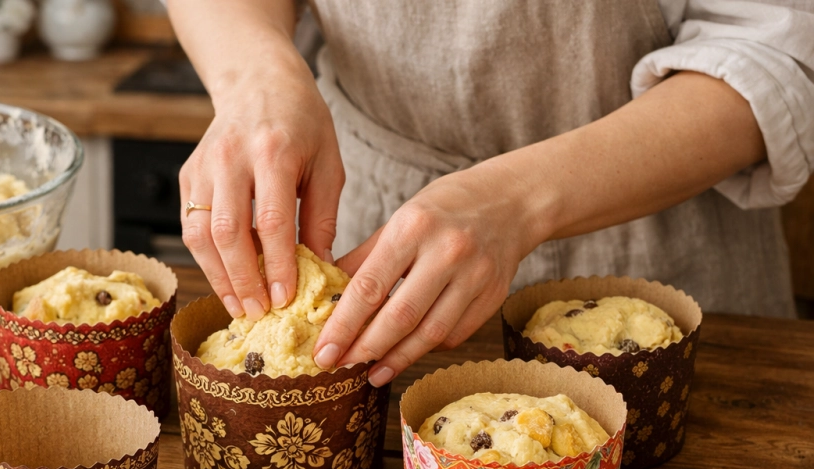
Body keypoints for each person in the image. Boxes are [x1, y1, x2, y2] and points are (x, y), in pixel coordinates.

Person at [167, 1, 814, 387]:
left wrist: (517, 199)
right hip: (371, 235)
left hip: (659, 238)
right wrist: (258, 75)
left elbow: (778, 51)